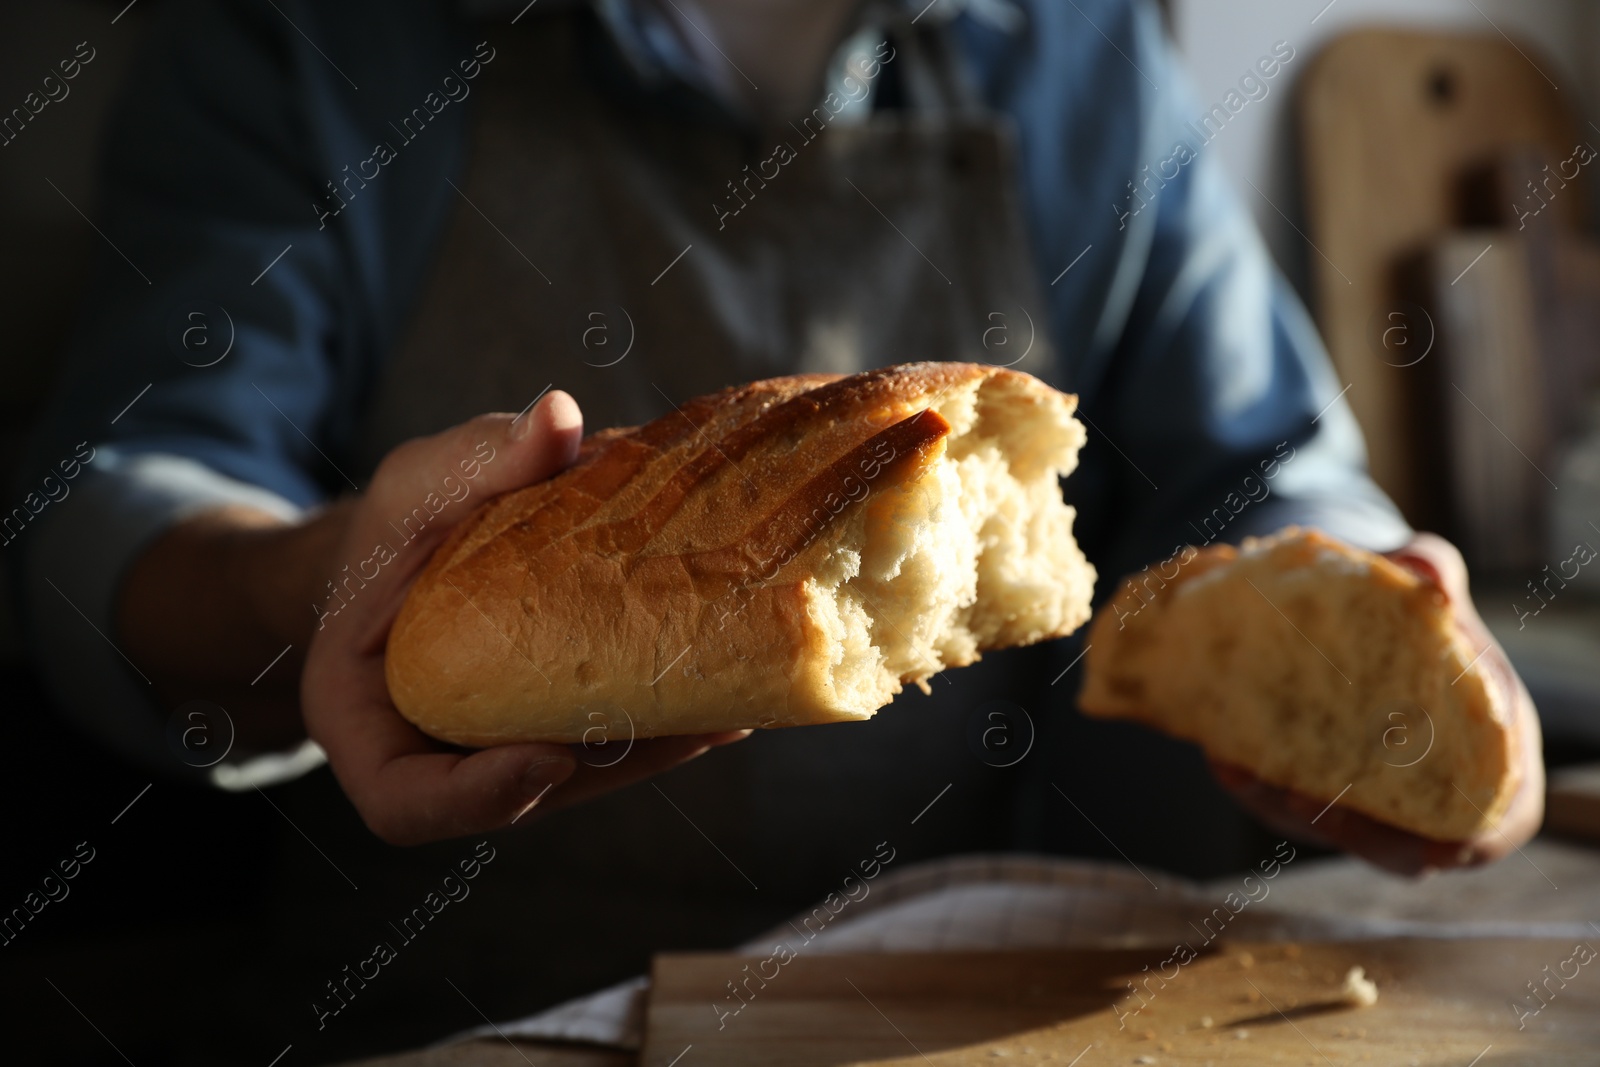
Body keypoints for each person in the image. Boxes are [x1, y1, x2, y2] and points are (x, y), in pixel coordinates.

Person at [13, 0, 1540, 903]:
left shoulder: (1075, 45)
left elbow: (1255, 470)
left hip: (936, 991)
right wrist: (318, 582)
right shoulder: (311, 42)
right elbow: (95, 532)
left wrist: (1358, 604)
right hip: (461, 1014)